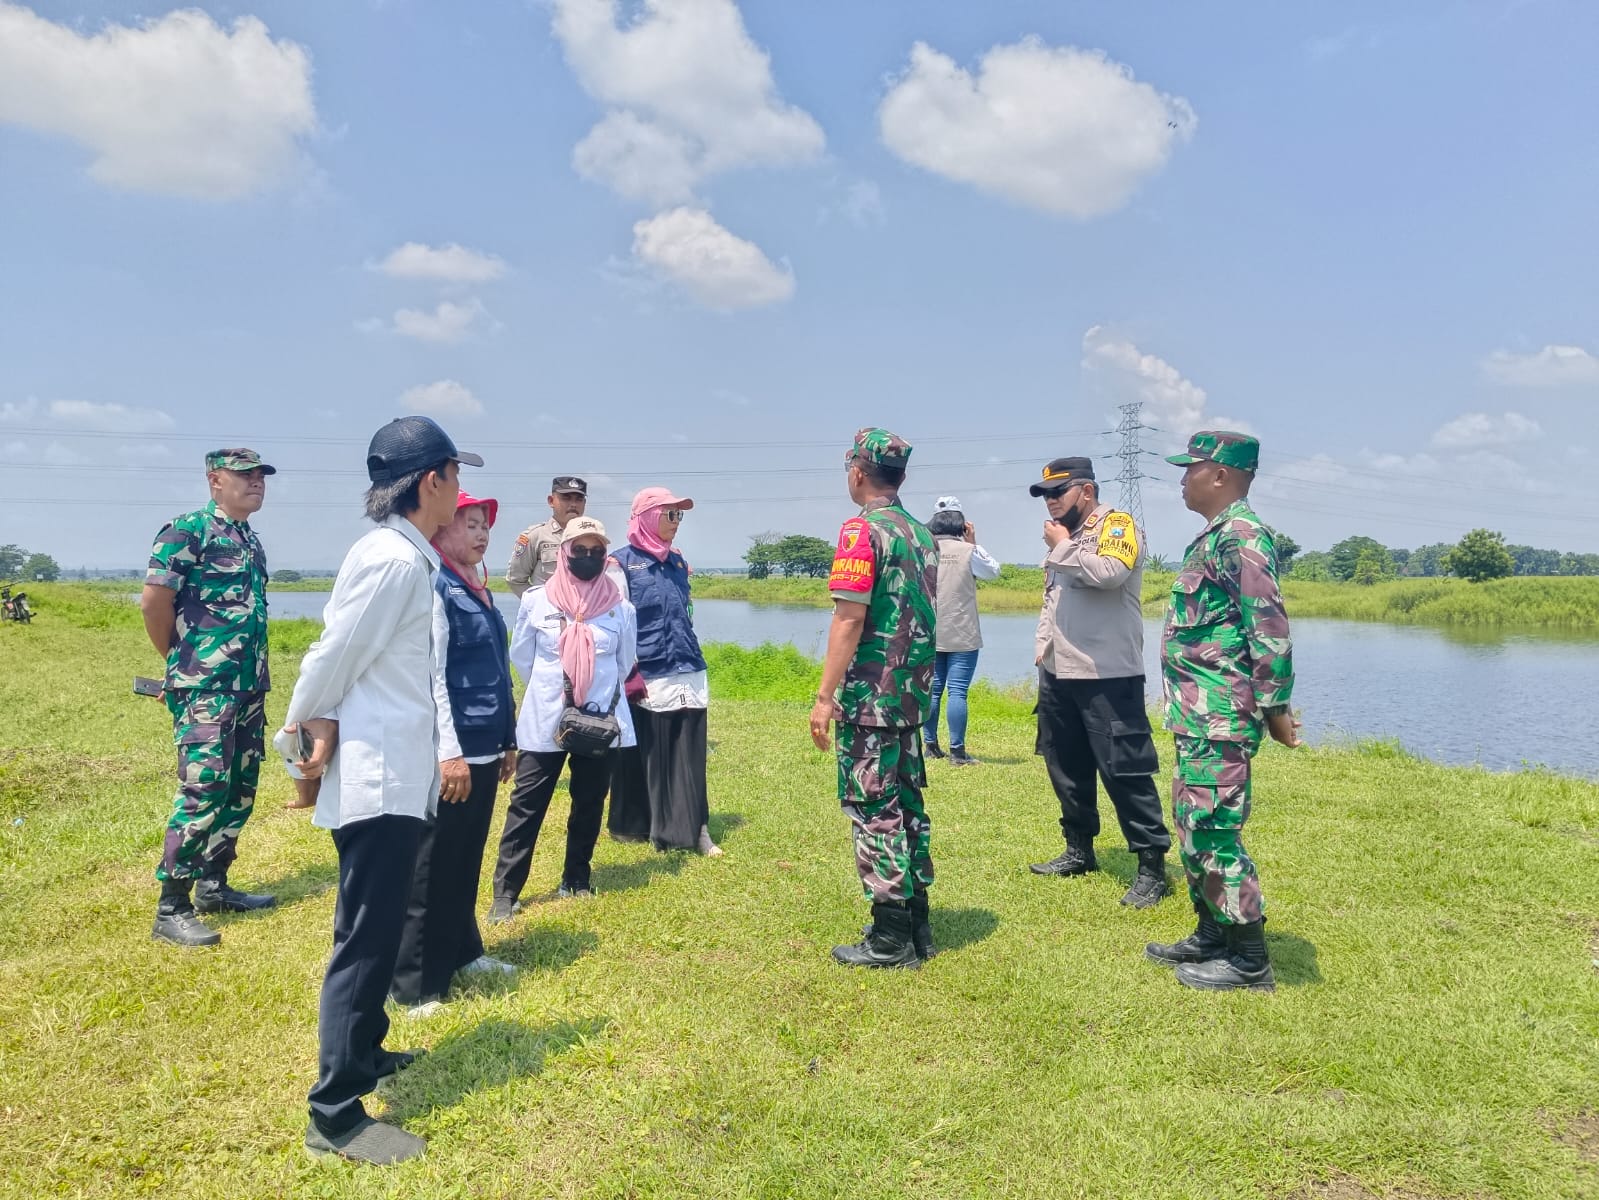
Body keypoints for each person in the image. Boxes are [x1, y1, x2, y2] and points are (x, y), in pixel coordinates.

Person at [283, 415, 482, 1165]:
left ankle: (365, 1055)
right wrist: (303, 734)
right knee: (365, 939)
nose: (461, 491)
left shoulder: (406, 556)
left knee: (377, 920)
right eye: (456, 476)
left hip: (398, 770)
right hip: (377, 775)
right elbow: (336, 652)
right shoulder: (394, 561)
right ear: (430, 481)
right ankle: (334, 1114)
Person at [1144, 431, 1299, 993]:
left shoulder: (1243, 537)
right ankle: (1212, 933)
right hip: (1197, 713)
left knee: (1214, 829)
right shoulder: (1213, 537)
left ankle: (1249, 959)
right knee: (1192, 824)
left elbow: (1269, 627)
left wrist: (1275, 706)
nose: (1182, 478)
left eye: (1192, 469)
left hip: (1222, 714)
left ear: (1221, 476)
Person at [810, 428, 939, 969]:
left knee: (873, 808)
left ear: (857, 472)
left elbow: (849, 616)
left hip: (870, 696)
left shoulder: (861, 531)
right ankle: (917, 920)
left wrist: (824, 696)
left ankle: (890, 937)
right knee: (907, 804)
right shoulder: (920, 533)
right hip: (910, 695)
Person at [141, 448, 278, 948]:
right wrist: (180, 665)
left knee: (240, 784)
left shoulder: (247, 538)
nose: (257, 482)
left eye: (261, 476)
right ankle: (171, 906)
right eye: (245, 475)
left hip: (248, 685)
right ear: (214, 479)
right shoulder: (187, 530)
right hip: (205, 686)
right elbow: (155, 603)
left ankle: (214, 884)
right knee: (204, 785)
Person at [389, 491, 519, 1014]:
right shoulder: (436, 586)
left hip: (486, 743)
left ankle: (465, 952)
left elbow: (495, 673)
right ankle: (416, 982)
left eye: (484, 524)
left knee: (466, 857)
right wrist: (451, 753)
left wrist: (507, 739)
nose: (481, 533)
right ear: (442, 530)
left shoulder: (478, 589)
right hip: (453, 746)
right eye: (469, 523)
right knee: (432, 863)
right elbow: (434, 676)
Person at [1026, 456, 1172, 909]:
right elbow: (1054, 598)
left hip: (1108, 674)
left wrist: (1064, 545)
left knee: (1125, 771)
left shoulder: (1117, 525)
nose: (1050, 502)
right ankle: (1079, 849)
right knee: (1065, 765)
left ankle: (1152, 866)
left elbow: (1111, 574)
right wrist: (1042, 647)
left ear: (1085, 491)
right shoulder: (1064, 539)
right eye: (1046, 494)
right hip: (1059, 670)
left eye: (1058, 492)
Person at [487, 517, 638, 922]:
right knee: (527, 804)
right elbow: (523, 658)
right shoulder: (538, 601)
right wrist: (553, 688)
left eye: (596, 551)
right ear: (564, 553)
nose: (588, 557)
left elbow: (624, 663)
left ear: (604, 556)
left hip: (599, 720)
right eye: (580, 550)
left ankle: (577, 878)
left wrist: (593, 688)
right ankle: (506, 894)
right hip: (545, 719)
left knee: (589, 802)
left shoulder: (621, 608)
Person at [605, 487, 721, 856]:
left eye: (678, 515)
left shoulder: (678, 562)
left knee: (688, 750)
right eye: (668, 514)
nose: (675, 523)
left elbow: (685, 613)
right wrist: (628, 671)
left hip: (686, 665)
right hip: (646, 670)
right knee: (649, 752)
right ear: (646, 517)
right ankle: (645, 826)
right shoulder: (619, 564)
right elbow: (617, 623)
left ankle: (693, 828)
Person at [922, 495, 1001, 766]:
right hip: (963, 633)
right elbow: (993, 571)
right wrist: (973, 543)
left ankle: (930, 745)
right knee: (957, 692)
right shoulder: (969, 552)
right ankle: (957, 752)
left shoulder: (924, 549)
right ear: (961, 524)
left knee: (932, 690)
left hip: (930, 630)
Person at [505, 476, 587, 597]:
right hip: (548, 613)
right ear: (551, 501)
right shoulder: (535, 536)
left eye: (579, 499)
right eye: (566, 498)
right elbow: (515, 580)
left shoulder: (592, 538)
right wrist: (538, 605)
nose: (573, 504)